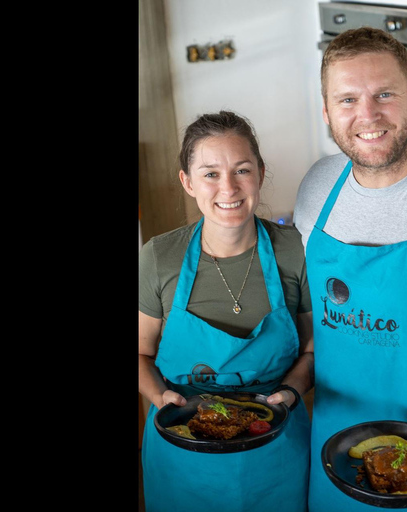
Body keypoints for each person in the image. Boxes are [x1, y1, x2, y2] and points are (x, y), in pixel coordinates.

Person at [293, 27, 407, 511]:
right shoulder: (315, 191)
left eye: (384, 94)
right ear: (327, 111)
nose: (367, 115)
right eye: (348, 99)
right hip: (337, 460)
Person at [139, 110, 313, 512]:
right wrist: (160, 397)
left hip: (275, 444)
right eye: (210, 173)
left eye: (242, 170)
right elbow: (140, 354)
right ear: (187, 182)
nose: (229, 187)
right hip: (182, 447)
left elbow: (311, 351)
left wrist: (289, 392)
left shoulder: (294, 249)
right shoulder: (160, 256)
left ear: (261, 173)